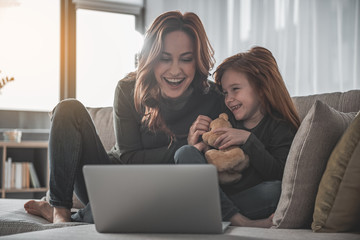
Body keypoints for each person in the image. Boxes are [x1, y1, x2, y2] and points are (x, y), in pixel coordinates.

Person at [23, 11, 224, 223]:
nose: (175, 70)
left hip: (161, 194)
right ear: (151, 59)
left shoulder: (212, 98)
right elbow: (130, 158)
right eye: (164, 58)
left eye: (186, 59)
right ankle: (60, 212)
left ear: (197, 61)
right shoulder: (128, 89)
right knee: (68, 108)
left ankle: (76, 214)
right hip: (111, 179)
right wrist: (187, 144)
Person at [175, 46, 300, 228]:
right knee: (184, 152)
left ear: (261, 88)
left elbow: (280, 173)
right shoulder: (225, 119)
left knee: (275, 190)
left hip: (246, 198)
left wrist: (248, 140)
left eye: (235, 89)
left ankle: (204, 215)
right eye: (226, 93)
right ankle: (240, 222)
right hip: (214, 195)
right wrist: (197, 147)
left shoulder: (280, 127)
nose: (229, 98)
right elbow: (211, 161)